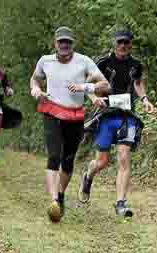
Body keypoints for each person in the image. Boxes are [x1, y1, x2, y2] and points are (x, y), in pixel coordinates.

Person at [30, 26, 109, 222]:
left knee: (68, 160)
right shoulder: (45, 61)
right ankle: (54, 201)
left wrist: (85, 87)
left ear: (73, 44)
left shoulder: (84, 61)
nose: (64, 45)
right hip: (52, 111)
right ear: (55, 44)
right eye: (61, 42)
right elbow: (34, 79)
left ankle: (61, 194)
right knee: (54, 155)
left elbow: (105, 84)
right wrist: (36, 91)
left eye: (68, 42)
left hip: (75, 116)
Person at [79, 28, 157, 217]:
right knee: (102, 162)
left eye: (126, 43)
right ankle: (88, 175)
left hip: (127, 115)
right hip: (106, 115)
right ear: (114, 43)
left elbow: (138, 83)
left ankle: (121, 203)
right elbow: (86, 83)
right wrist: (92, 98)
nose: (123, 46)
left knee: (124, 156)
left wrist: (145, 100)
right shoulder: (103, 62)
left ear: (130, 44)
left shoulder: (136, 64)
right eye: (119, 42)